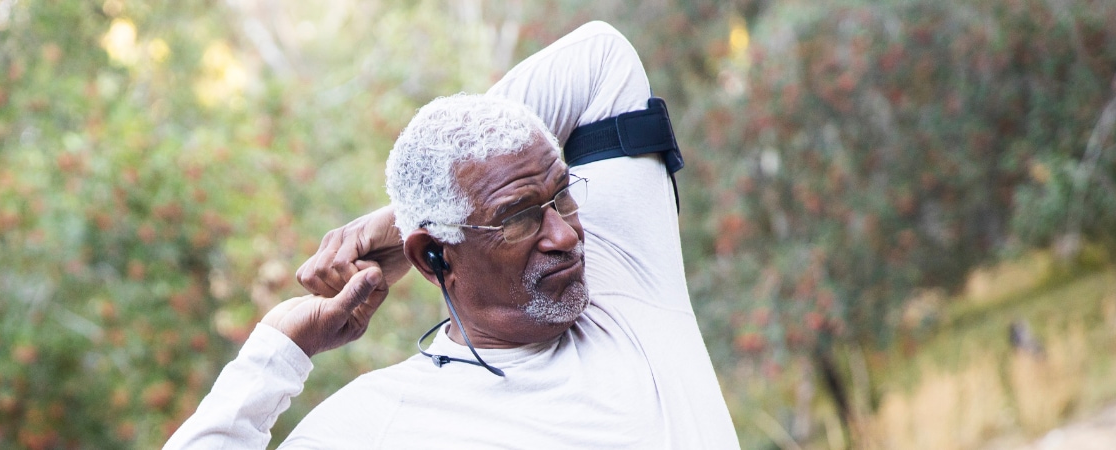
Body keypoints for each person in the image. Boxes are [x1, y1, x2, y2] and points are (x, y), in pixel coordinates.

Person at [165, 21, 739, 448]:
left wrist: (390, 220)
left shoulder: (628, 277)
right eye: (517, 218)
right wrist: (277, 353)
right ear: (436, 257)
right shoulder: (383, 422)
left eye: (561, 194)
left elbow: (598, 58)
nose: (564, 236)